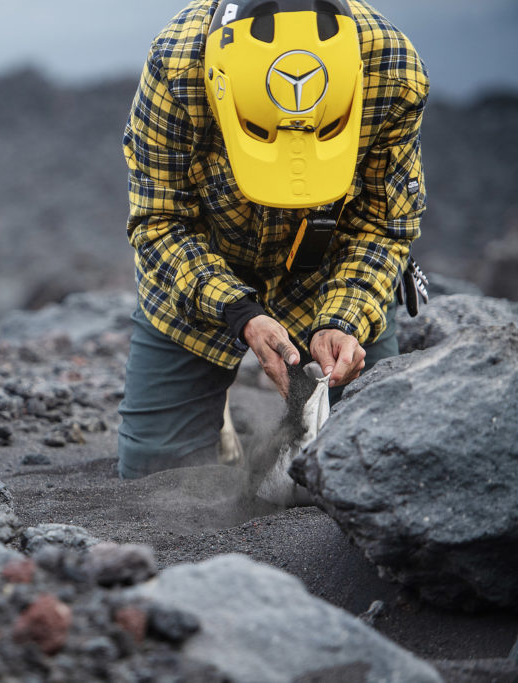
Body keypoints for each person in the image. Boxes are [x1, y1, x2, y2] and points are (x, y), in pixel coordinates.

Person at [117, 0, 429, 479]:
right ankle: (209, 410)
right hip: (203, 264)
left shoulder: (390, 70)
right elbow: (160, 222)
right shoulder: (178, 67)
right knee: (152, 477)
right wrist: (241, 313)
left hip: (333, 271)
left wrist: (345, 321)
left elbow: (384, 225)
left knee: (381, 469)